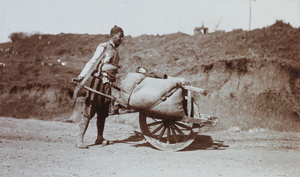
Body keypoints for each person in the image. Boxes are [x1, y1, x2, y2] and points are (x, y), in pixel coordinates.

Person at [75, 25, 124, 149]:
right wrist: (81, 76)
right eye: (120, 36)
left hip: (108, 84)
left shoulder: (115, 51)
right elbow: (92, 62)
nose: (121, 39)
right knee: (89, 110)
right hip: (98, 83)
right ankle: (79, 140)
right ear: (113, 36)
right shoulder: (103, 47)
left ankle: (99, 137)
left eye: (122, 37)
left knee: (103, 112)